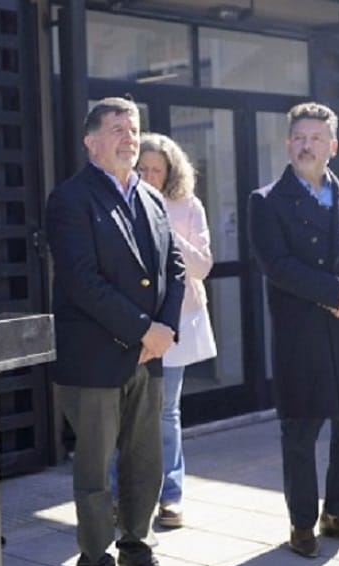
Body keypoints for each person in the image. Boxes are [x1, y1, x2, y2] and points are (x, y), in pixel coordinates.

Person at [46, 97, 188, 566]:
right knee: (95, 473)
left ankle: (137, 554)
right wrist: (143, 328)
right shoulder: (70, 199)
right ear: (90, 141)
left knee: (145, 465)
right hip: (95, 359)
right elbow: (83, 282)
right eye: (116, 129)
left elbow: (174, 266)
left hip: (147, 356)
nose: (129, 137)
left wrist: (165, 327)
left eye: (133, 128)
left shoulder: (150, 197)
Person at [247, 102, 339, 559]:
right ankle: (303, 522)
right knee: (301, 432)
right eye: (299, 138)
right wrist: (337, 292)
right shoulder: (265, 201)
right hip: (303, 332)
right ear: (288, 144)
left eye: (315, 138)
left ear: (333, 146)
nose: (306, 145)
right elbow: (279, 266)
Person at [136, 133, 216, 529]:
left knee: (166, 412)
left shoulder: (187, 206)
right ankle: (126, 494)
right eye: (143, 169)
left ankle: (171, 497)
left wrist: (165, 226)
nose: (150, 176)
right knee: (127, 413)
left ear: (170, 172)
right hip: (131, 324)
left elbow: (201, 267)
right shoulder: (122, 203)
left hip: (177, 321)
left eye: (157, 170)